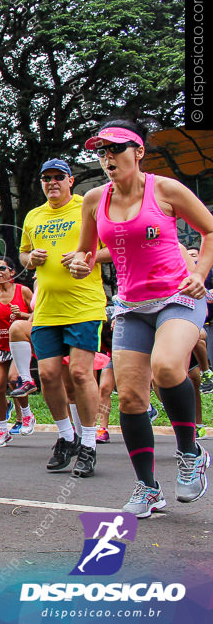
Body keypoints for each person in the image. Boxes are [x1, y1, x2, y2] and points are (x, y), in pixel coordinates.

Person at [71, 119, 213, 516]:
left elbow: (210, 230)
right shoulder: (94, 198)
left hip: (178, 296)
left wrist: (199, 274)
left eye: (116, 149)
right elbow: (86, 252)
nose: (108, 158)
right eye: (102, 151)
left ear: (139, 152)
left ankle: (190, 453)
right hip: (131, 305)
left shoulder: (165, 189)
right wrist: (81, 266)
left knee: (168, 368)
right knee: (130, 397)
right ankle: (148, 488)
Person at [21, 158, 108, 477]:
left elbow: (115, 247)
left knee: (82, 374)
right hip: (46, 307)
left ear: (71, 181)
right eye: (46, 178)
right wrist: (30, 259)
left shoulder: (90, 207)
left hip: (84, 305)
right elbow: (23, 255)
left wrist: (87, 256)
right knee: (46, 375)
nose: (52, 183)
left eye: (59, 177)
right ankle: (66, 437)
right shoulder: (33, 216)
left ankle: (88, 444)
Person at [0, 256, 35, 447]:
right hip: (0, 345)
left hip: (20, 344)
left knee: (15, 379)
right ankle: (3, 430)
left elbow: (38, 313)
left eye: (2, 268)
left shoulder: (23, 291)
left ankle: (27, 414)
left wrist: (21, 315)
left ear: (12, 272)